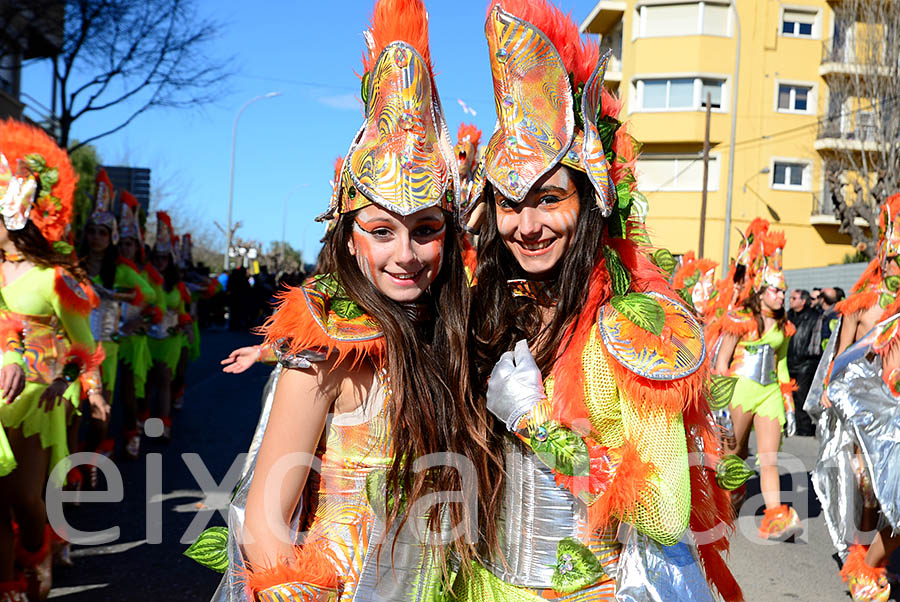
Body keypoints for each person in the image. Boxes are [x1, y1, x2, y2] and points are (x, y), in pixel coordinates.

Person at [455, 1, 741, 600]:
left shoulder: (632, 323)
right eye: (510, 203)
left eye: (549, 198)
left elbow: (663, 510)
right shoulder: (492, 305)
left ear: (591, 199)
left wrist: (536, 422)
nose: (527, 224)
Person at [211, 2, 494, 600]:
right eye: (382, 231)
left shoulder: (461, 336)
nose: (406, 255)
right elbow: (263, 519)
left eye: (425, 229)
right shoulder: (326, 355)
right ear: (347, 234)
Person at [0, 118, 108, 601]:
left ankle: (39, 547)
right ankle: (8, 583)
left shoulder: (52, 278)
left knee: (25, 498)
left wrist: (87, 387)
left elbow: (83, 343)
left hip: (39, 397)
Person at [806, 194, 900, 602]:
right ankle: (860, 561)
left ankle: (871, 562)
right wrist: (829, 392)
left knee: (886, 493)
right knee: (865, 490)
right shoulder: (862, 302)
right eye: (896, 258)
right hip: (855, 407)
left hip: (890, 406)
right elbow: (840, 355)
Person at [714, 224, 801, 540]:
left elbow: (782, 366)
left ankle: (776, 516)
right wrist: (721, 407)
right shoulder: (740, 319)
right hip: (739, 391)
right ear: (761, 290)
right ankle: (722, 505)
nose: (782, 296)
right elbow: (721, 365)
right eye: (776, 290)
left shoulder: (784, 325)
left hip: (768, 395)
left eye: (784, 291)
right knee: (732, 455)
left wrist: (788, 405)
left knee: (768, 459)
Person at [115, 190, 158, 459]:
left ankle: (133, 431)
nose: (125, 248)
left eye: (131, 244)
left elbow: (154, 304)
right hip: (105, 339)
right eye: (123, 243)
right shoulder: (108, 268)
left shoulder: (142, 275)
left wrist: (138, 321)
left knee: (132, 392)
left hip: (133, 342)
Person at [786, 288, 821, 436]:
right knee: (788, 394)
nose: (790, 300)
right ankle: (790, 424)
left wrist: (807, 356)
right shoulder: (788, 315)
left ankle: (805, 428)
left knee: (802, 395)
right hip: (789, 360)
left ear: (803, 301)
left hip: (805, 363)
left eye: (794, 298)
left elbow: (815, 340)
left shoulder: (814, 317)